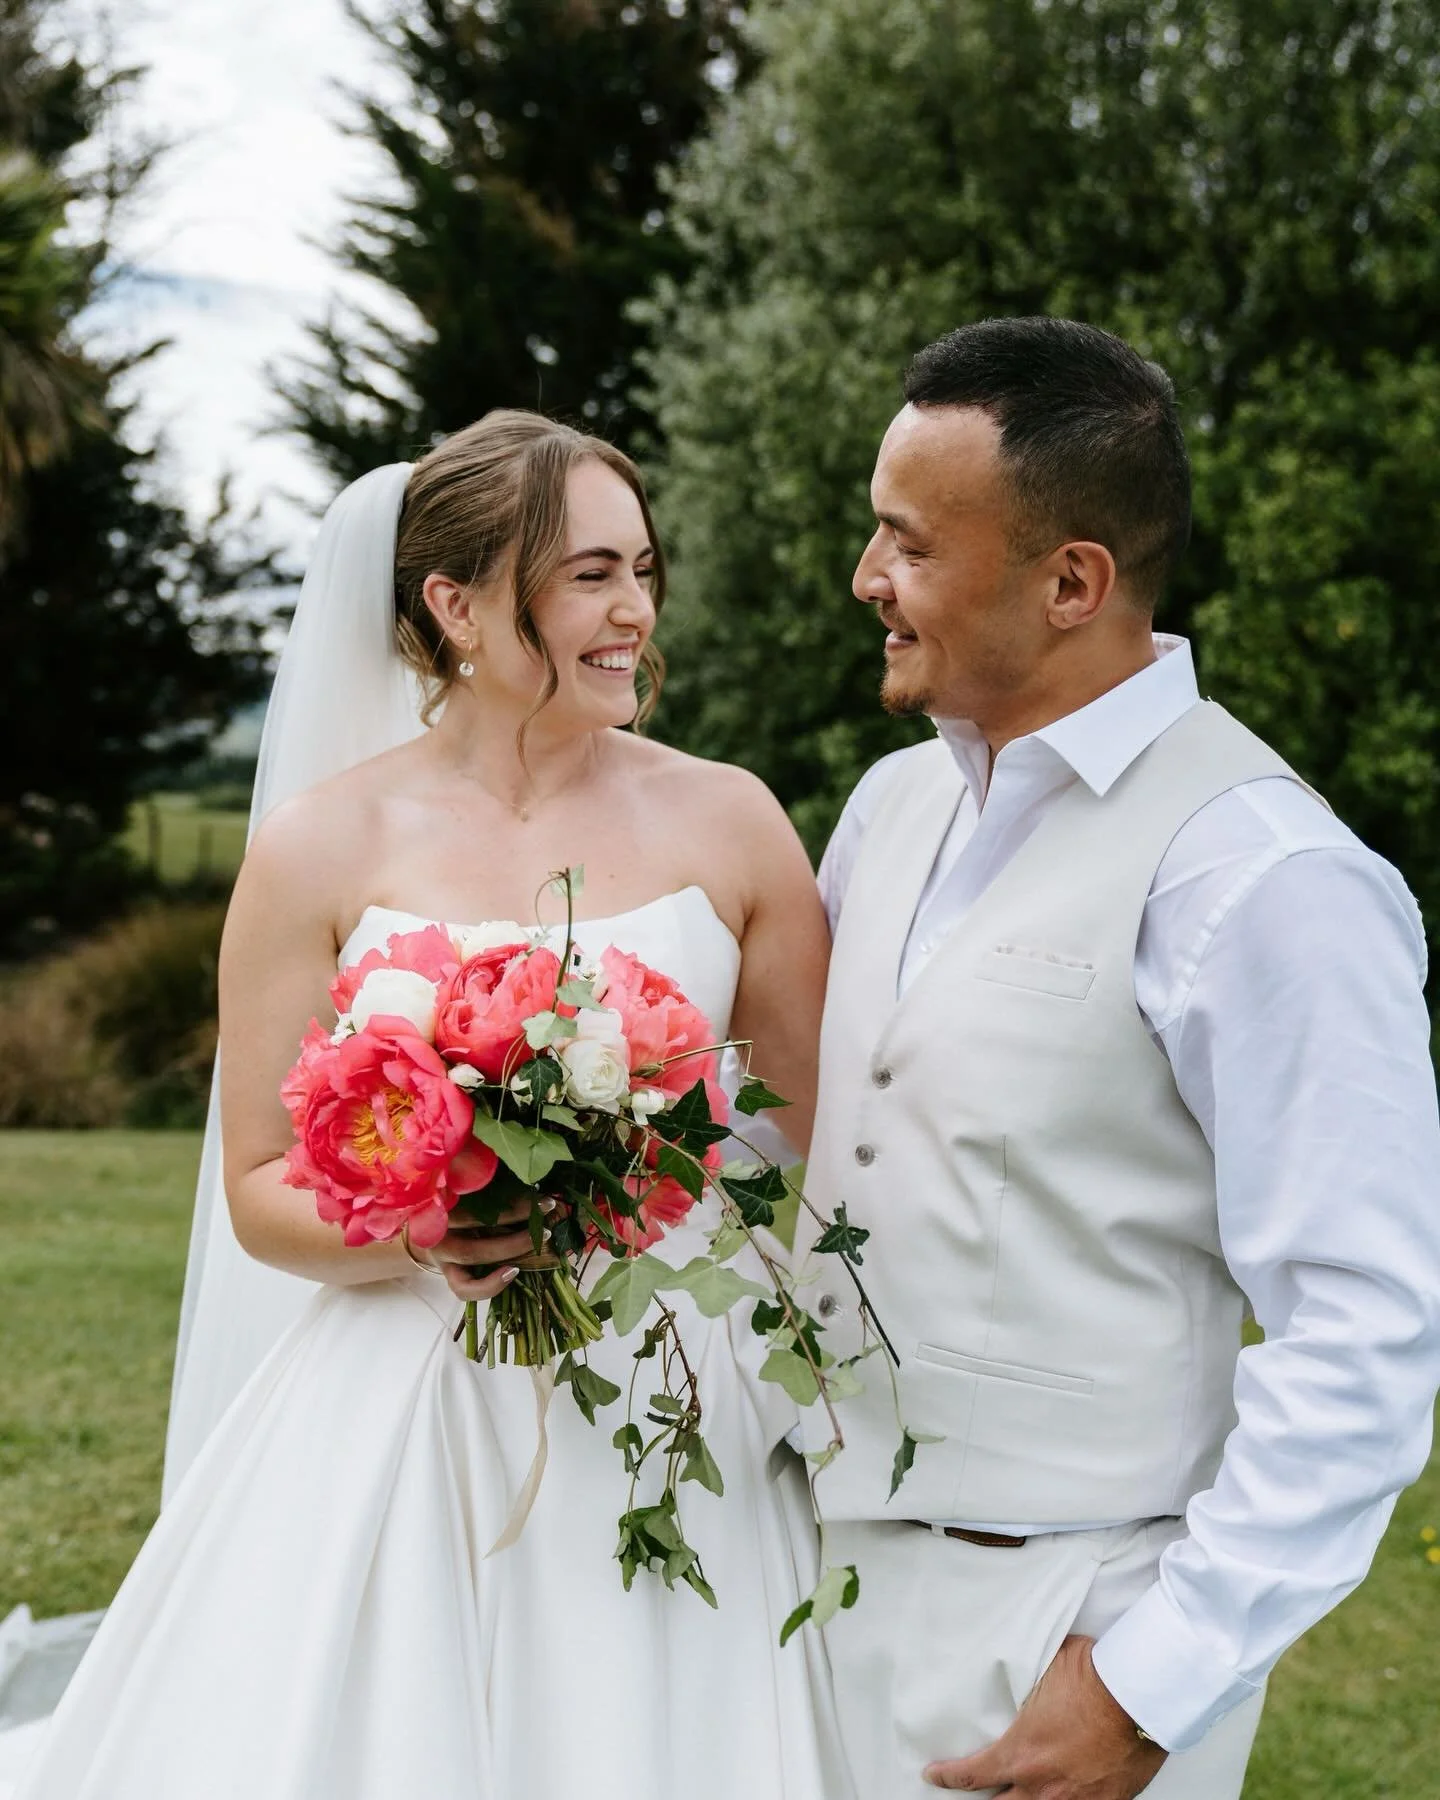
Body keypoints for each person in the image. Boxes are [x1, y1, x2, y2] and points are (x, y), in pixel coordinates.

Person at [12, 411, 848, 1800]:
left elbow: (820, 1141)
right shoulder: (317, 850)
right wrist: (422, 1228)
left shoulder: (736, 822)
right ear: (455, 605)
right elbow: (262, 1188)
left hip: (669, 1396)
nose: (635, 610)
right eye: (589, 575)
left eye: (643, 568)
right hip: (398, 1408)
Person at [796, 316, 1440, 1800]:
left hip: (1070, 1629)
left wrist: (1154, 1680)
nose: (866, 582)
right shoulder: (890, 808)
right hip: (816, 1594)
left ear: (1072, 580)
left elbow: (1365, 1324)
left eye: (907, 543)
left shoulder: (1266, 872)